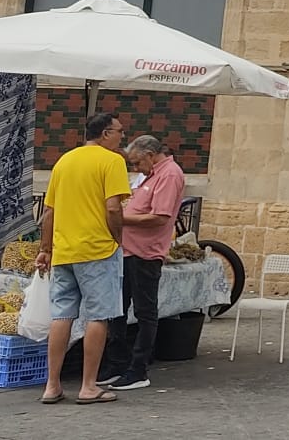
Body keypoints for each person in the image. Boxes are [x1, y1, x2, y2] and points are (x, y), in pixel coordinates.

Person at [35, 112, 133, 406]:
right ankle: (88, 385)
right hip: (97, 248)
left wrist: (45, 248)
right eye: (119, 131)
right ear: (105, 133)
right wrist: (118, 238)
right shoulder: (111, 161)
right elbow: (113, 208)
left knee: (61, 315)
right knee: (98, 316)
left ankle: (52, 385)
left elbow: (48, 212)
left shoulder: (64, 161)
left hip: (64, 250)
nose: (122, 137)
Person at [97, 135, 184, 391]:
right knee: (117, 309)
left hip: (145, 253)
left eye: (137, 163)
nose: (135, 168)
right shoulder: (149, 175)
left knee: (145, 312)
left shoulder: (169, 175)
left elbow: (159, 217)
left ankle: (138, 368)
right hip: (126, 250)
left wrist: (120, 219)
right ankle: (116, 363)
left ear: (149, 154)